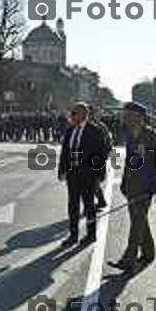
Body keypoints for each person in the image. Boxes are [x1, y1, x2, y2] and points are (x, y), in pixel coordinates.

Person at [111, 101, 156, 272]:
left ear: (138, 117)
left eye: (127, 115)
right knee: (140, 220)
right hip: (132, 184)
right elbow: (130, 161)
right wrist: (124, 181)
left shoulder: (151, 135)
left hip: (146, 185)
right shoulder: (129, 133)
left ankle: (129, 259)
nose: (124, 118)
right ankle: (149, 253)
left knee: (137, 222)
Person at [57, 102, 107, 248]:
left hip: (88, 175)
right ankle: (73, 236)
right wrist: (62, 170)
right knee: (72, 205)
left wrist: (98, 174)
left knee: (89, 205)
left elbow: (100, 154)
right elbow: (64, 152)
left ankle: (91, 235)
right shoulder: (70, 130)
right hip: (72, 174)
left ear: (83, 115)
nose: (71, 116)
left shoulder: (94, 131)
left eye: (74, 113)